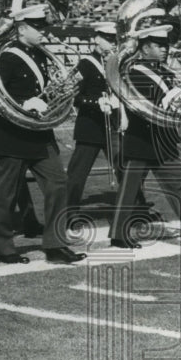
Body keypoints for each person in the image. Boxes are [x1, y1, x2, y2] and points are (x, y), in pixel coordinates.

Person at [0, 1, 86, 265]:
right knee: (6, 194)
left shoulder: (41, 55)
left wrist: (62, 91)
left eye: (44, 26)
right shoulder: (7, 56)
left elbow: (45, 92)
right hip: (12, 134)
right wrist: (24, 104)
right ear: (22, 28)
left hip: (40, 136)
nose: (43, 31)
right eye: (38, 26)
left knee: (57, 185)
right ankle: (3, 247)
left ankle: (55, 245)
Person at [109, 16, 181, 248]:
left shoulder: (165, 72)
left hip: (164, 141)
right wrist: (173, 99)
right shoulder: (133, 72)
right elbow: (141, 106)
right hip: (141, 140)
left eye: (165, 45)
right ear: (145, 48)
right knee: (129, 190)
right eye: (159, 45)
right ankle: (118, 235)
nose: (165, 49)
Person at [65, 22, 124, 219]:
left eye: (113, 39)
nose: (111, 43)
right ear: (97, 39)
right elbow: (75, 97)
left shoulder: (116, 62)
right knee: (77, 175)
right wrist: (96, 101)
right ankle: (68, 212)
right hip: (90, 127)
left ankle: (134, 208)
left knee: (124, 170)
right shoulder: (85, 64)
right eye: (107, 38)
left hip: (112, 126)